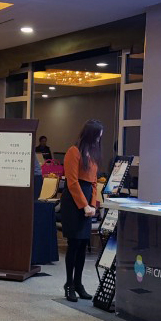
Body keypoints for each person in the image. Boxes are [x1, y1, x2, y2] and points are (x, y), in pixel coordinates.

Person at [61, 120, 103, 302]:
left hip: (86, 202)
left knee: (83, 245)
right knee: (74, 244)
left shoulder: (92, 155)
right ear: (90, 135)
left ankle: (78, 284)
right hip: (73, 202)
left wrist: (92, 205)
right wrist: (84, 205)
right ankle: (69, 284)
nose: (99, 140)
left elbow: (94, 183)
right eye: (98, 136)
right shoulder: (73, 151)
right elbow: (72, 182)